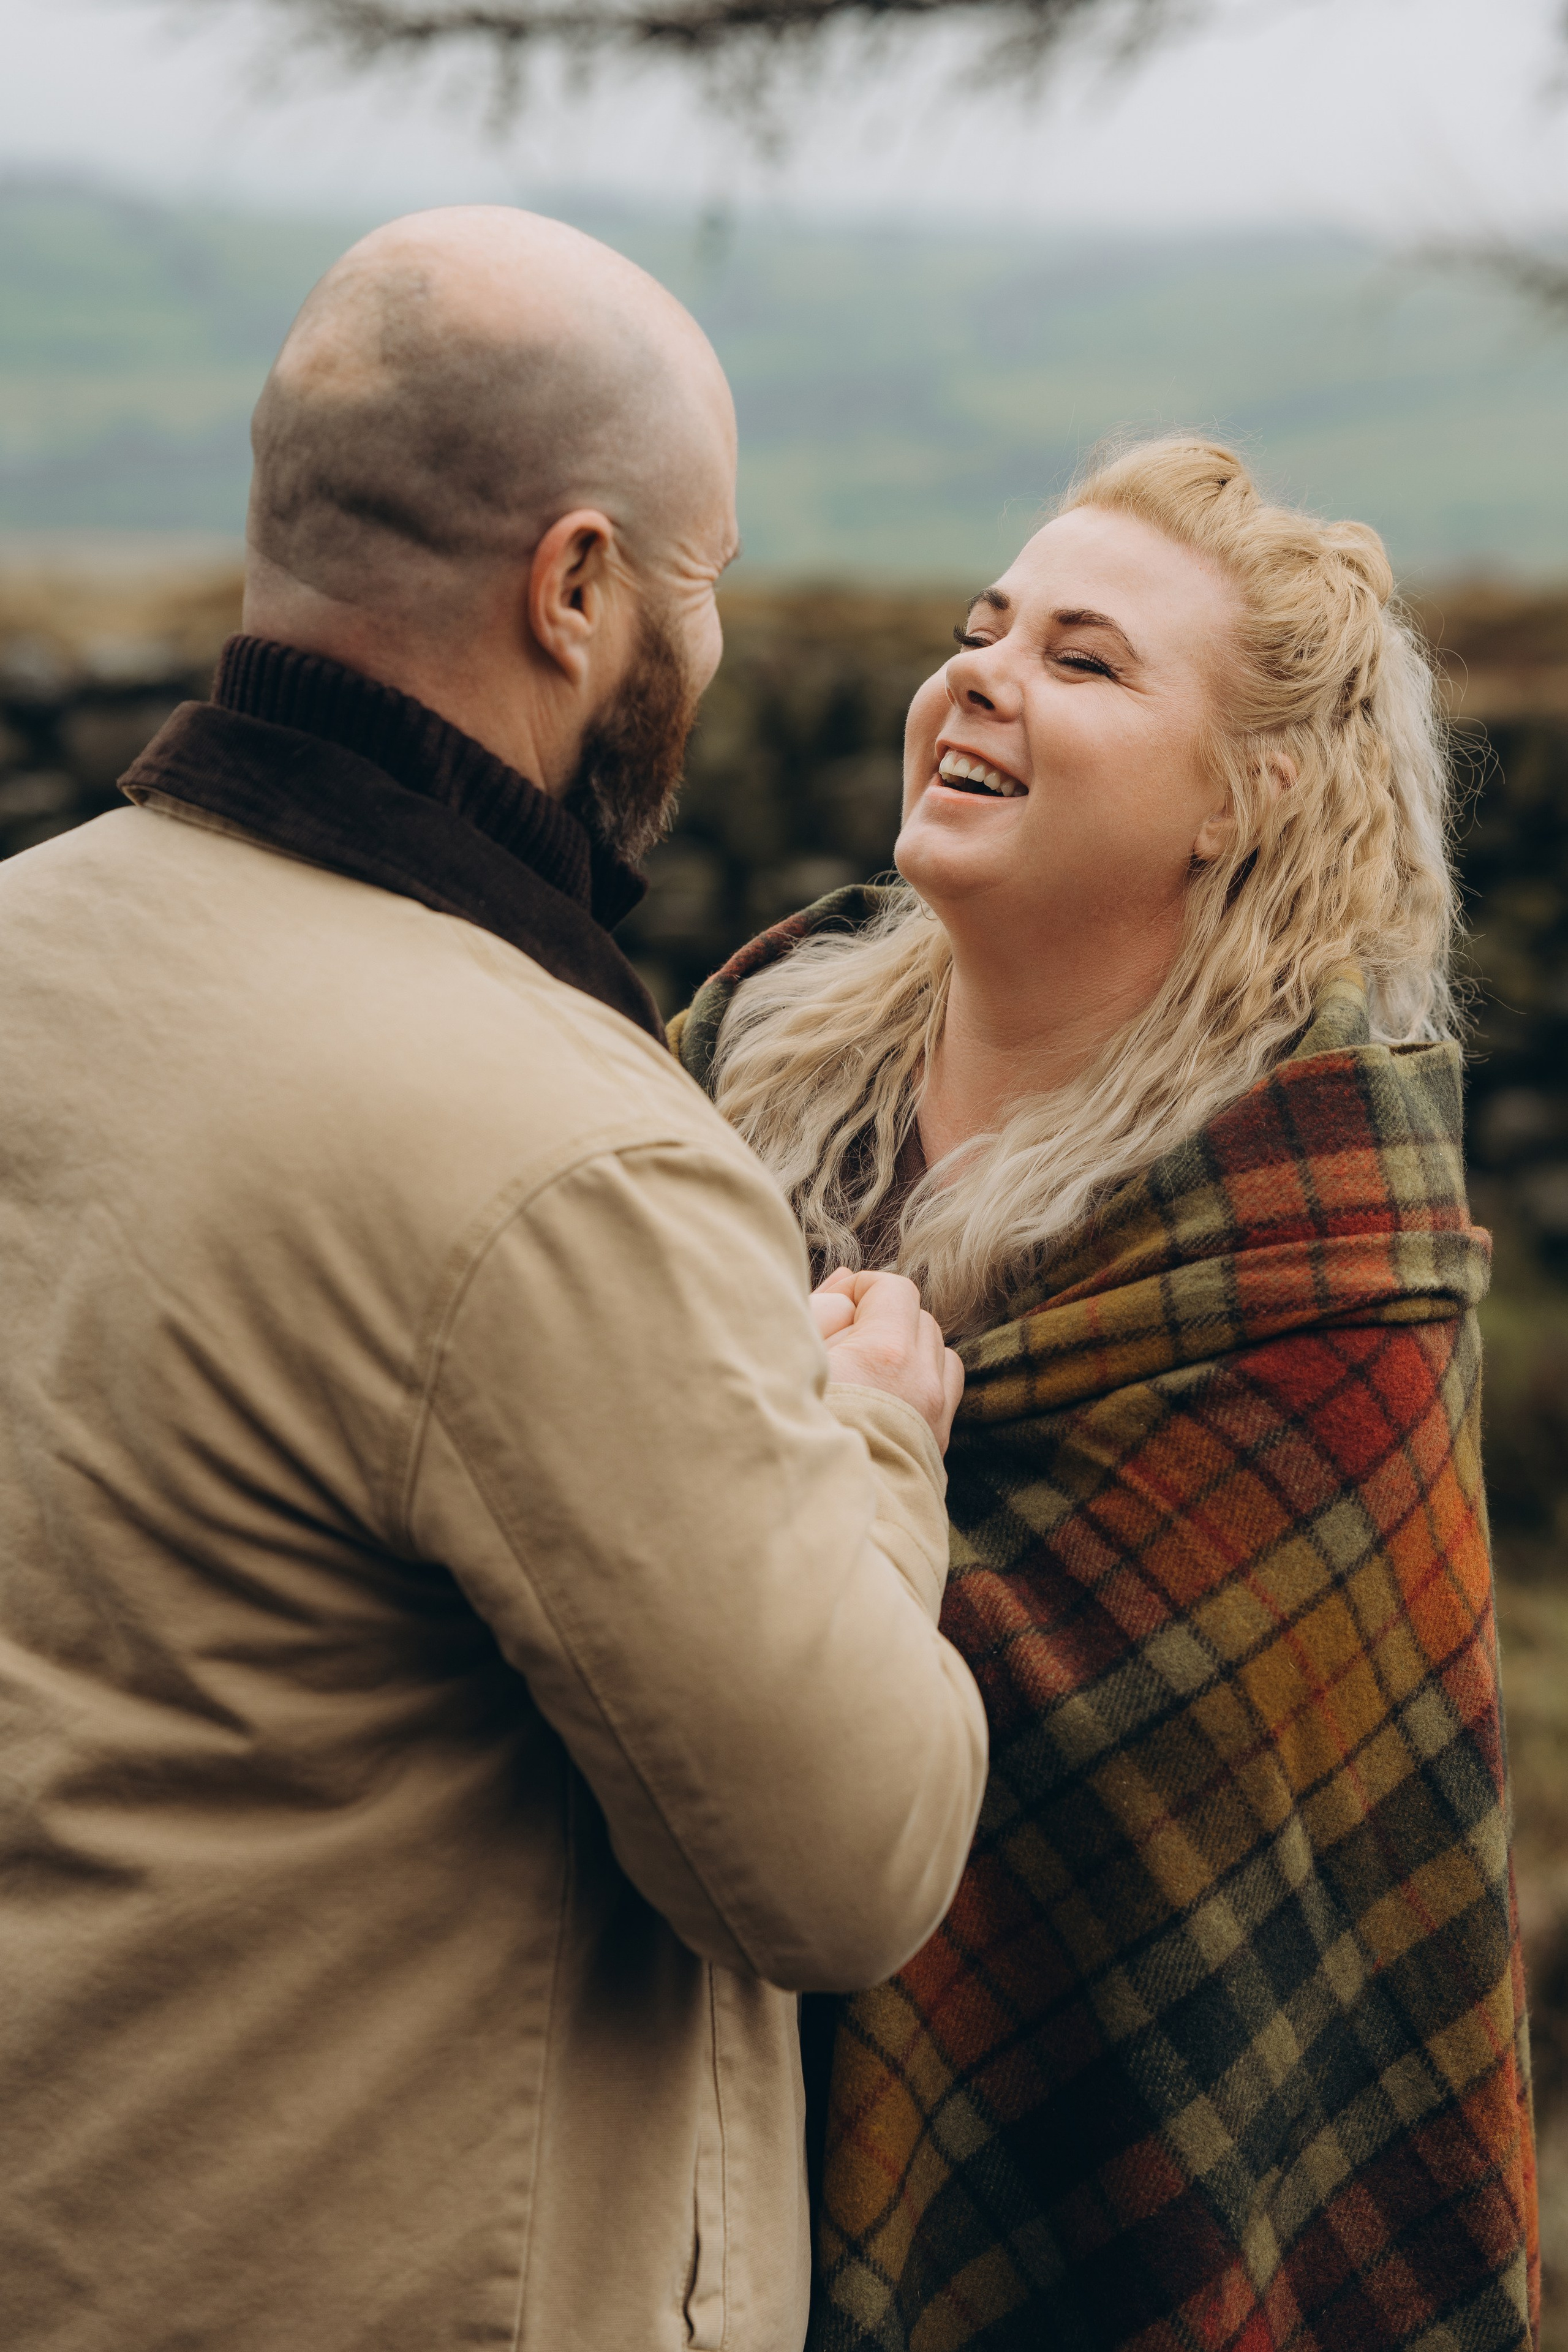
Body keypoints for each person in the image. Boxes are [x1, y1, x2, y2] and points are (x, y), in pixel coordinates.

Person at [0, 206, 989, 2352]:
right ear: (575, 589)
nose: (708, 655)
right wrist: (875, 1445)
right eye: (695, 583)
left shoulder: (22, 945)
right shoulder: (563, 1151)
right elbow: (837, 1861)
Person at [673, 437, 1539, 2352]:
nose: (981, 674)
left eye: (1084, 660)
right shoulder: (725, 1086)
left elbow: (1109, 1837)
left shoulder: (1314, 1265)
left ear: (1247, 796)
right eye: (984, 631)